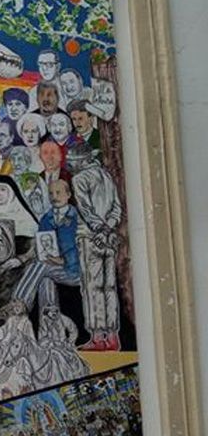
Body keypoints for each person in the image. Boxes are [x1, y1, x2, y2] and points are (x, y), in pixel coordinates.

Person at [67, 143, 123, 350]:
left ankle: (98, 336)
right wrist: (108, 228)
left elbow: (85, 209)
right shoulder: (106, 175)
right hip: (109, 236)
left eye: (73, 160)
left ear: (83, 160)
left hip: (90, 236)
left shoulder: (79, 178)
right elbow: (116, 207)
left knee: (92, 287)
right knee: (109, 287)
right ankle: (113, 336)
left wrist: (99, 229)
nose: (70, 164)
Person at [5, 179, 82, 313]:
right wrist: (23, 259)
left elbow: (85, 247)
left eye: (58, 192)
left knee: (40, 266)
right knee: (44, 278)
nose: (54, 197)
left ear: (69, 194)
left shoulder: (78, 217)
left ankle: (17, 304)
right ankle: (50, 318)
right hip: (54, 269)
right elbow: (40, 245)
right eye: (51, 193)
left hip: (77, 271)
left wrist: (64, 260)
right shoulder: (46, 218)